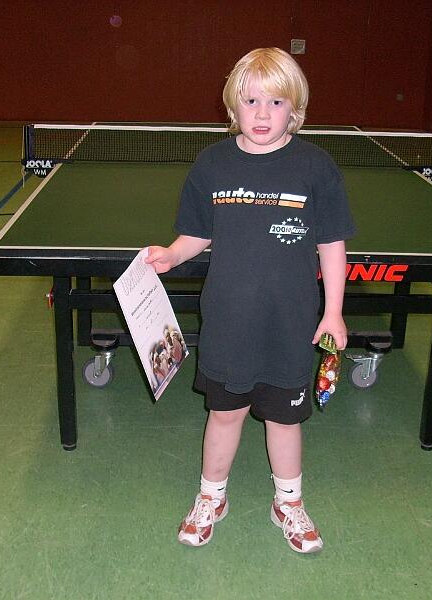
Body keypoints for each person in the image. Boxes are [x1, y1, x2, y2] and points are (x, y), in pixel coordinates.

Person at [144, 48, 355, 553]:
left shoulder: (315, 167)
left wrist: (333, 312)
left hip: (289, 324)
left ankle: (289, 503)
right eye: (251, 101)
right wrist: (171, 254)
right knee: (224, 415)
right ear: (232, 106)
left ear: (295, 109)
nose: (262, 114)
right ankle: (211, 497)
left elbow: (332, 245)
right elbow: (197, 234)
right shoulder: (212, 164)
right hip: (227, 322)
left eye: (276, 102)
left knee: (285, 419)